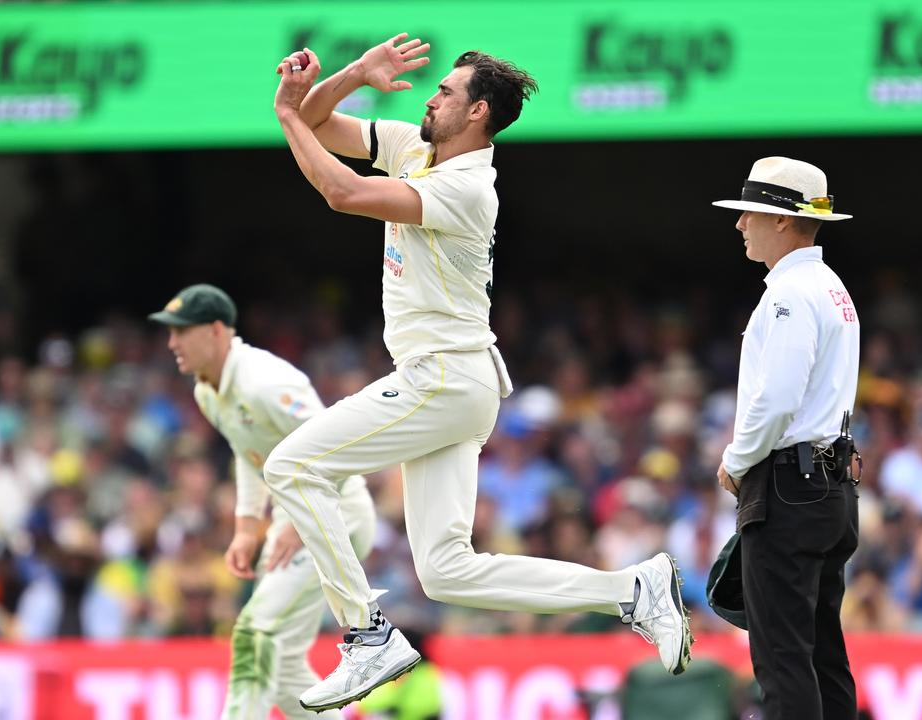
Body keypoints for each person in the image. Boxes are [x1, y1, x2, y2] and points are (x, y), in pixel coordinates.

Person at [267, 35, 692, 711]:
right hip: (454, 382)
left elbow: (342, 190)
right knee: (447, 571)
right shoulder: (418, 148)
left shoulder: (469, 187)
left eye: (446, 92)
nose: (432, 96)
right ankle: (631, 591)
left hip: (442, 376)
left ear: (478, 113)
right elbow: (321, 122)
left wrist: (287, 115)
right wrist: (353, 75)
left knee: (292, 467)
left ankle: (366, 635)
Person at [148, 284, 378, 720]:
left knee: (255, 631)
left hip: (335, 515)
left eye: (181, 331)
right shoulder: (207, 390)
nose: (171, 343)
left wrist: (299, 521)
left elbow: (341, 446)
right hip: (298, 517)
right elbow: (249, 452)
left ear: (216, 331)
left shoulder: (265, 383)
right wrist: (246, 524)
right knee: (285, 662)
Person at [712, 157, 860, 718]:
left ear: (780, 219)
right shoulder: (831, 287)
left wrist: (735, 459)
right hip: (831, 484)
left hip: (789, 486)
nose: (739, 224)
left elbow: (775, 401)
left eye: (748, 212)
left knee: (782, 659)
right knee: (823, 654)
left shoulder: (789, 294)